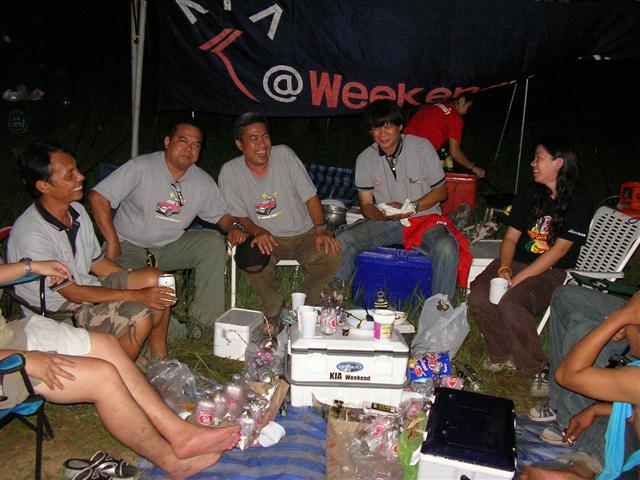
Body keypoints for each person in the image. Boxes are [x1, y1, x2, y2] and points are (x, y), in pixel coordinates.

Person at [0, 260, 241, 480]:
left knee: (107, 345)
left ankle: (181, 434)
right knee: (103, 377)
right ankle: (171, 461)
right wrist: (23, 357)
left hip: (12, 335)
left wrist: (32, 267)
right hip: (7, 361)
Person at [8, 142, 175, 361]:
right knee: (139, 315)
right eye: (70, 175)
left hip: (86, 286)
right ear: (44, 186)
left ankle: (160, 360)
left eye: (77, 170)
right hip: (59, 310)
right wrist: (137, 295)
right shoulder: (33, 234)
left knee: (158, 281)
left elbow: (96, 263)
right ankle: (120, 372)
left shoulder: (76, 211)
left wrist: (134, 279)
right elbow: (73, 294)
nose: (81, 177)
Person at [89, 118, 247, 328]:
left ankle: (204, 321)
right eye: (183, 141)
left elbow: (222, 216)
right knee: (130, 295)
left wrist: (234, 227)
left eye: (196, 144)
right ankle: (173, 331)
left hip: (170, 245)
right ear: (167, 142)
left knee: (212, 242)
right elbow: (98, 196)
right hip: (128, 246)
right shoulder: (141, 167)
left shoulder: (201, 181)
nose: (189, 149)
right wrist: (112, 240)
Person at [467, 134, 592, 392]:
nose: (533, 163)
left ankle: (536, 369)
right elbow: (511, 238)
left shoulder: (579, 200)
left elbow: (559, 251)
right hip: (516, 262)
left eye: (539, 158)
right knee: (478, 296)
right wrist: (504, 267)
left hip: (551, 270)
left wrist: (518, 280)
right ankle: (500, 353)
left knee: (511, 302)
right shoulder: (530, 192)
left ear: (558, 163)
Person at [218, 112, 341, 326]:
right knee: (251, 257)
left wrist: (320, 228)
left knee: (331, 254)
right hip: (268, 238)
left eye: (265, 136)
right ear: (239, 144)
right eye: (253, 139)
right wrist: (257, 231)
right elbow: (240, 215)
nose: (262, 144)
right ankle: (274, 310)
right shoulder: (230, 172)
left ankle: (303, 308)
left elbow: (310, 196)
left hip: (304, 233)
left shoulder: (283, 155)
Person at [334, 99, 460, 303]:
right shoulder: (365, 159)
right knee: (344, 239)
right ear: (370, 131)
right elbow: (366, 205)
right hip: (387, 222)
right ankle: (334, 302)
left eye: (388, 126)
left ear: (400, 126)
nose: (382, 134)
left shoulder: (422, 148)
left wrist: (412, 207)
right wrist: (380, 214)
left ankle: (440, 310)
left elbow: (441, 192)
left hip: (424, 218)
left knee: (446, 247)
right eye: (376, 128)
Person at [520, 288, 640, 480]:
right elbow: (634, 415)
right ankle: (577, 470)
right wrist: (597, 409)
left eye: (629, 325)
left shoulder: (635, 380)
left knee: (614, 428)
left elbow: (567, 375)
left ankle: (577, 470)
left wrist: (617, 319)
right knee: (614, 418)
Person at [404, 93, 485, 177]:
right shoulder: (455, 118)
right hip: (418, 154)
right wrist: (473, 167)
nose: (466, 112)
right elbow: (455, 152)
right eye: (468, 107)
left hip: (402, 146)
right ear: (462, 101)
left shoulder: (435, 106)